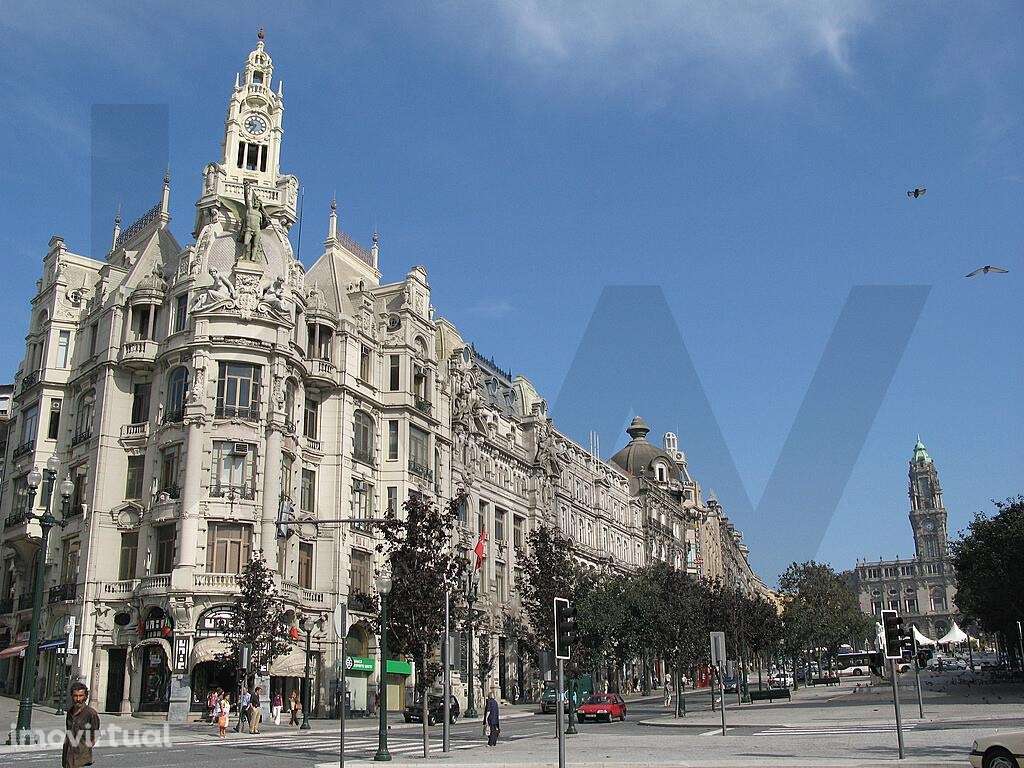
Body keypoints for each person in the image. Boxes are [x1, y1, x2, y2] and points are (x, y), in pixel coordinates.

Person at [62, 681, 100, 768]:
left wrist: (86, 747)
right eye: (75, 696)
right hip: (68, 757)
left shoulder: (91, 713)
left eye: (81, 696)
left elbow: (96, 733)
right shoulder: (70, 712)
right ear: (72, 696)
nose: (78, 699)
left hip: (82, 760)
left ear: (86, 697)